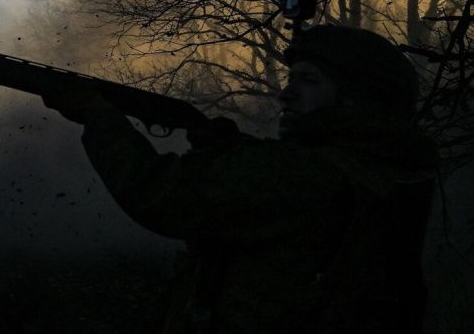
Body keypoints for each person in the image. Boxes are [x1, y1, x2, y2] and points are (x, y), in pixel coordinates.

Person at [43, 25, 438, 333]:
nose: (286, 94)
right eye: (291, 78)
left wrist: (99, 118)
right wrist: (234, 151)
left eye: (309, 80)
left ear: (357, 98)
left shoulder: (308, 174)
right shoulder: (384, 166)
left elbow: (160, 194)